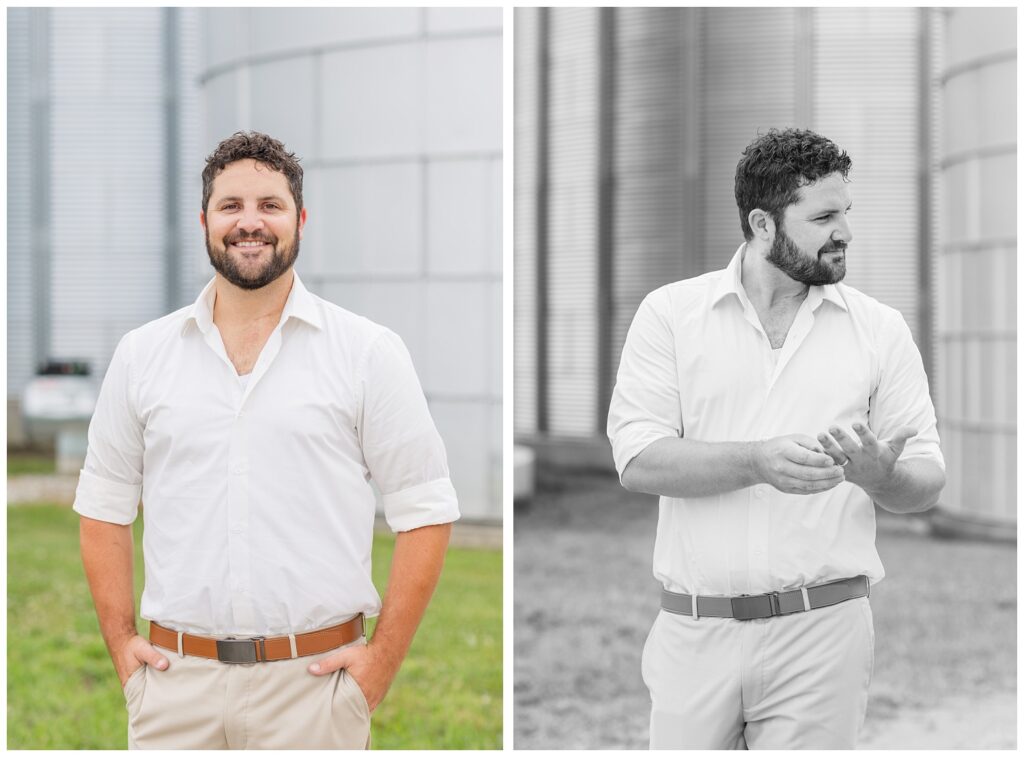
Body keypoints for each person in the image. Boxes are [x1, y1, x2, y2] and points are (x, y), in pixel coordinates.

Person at [75, 131, 460, 749]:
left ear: (299, 220)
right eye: (230, 206)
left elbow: (427, 512)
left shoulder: (367, 353)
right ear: (204, 220)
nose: (249, 223)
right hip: (175, 689)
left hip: (314, 690)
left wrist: (377, 667)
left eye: (270, 206)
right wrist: (124, 651)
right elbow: (103, 511)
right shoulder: (142, 356)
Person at [607, 128, 945, 750]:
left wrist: (880, 475)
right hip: (693, 630)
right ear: (763, 224)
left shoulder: (881, 330)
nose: (844, 230)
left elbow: (925, 479)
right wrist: (757, 461)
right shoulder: (670, 315)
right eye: (823, 217)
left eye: (846, 212)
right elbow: (637, 458)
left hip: (824, 634)